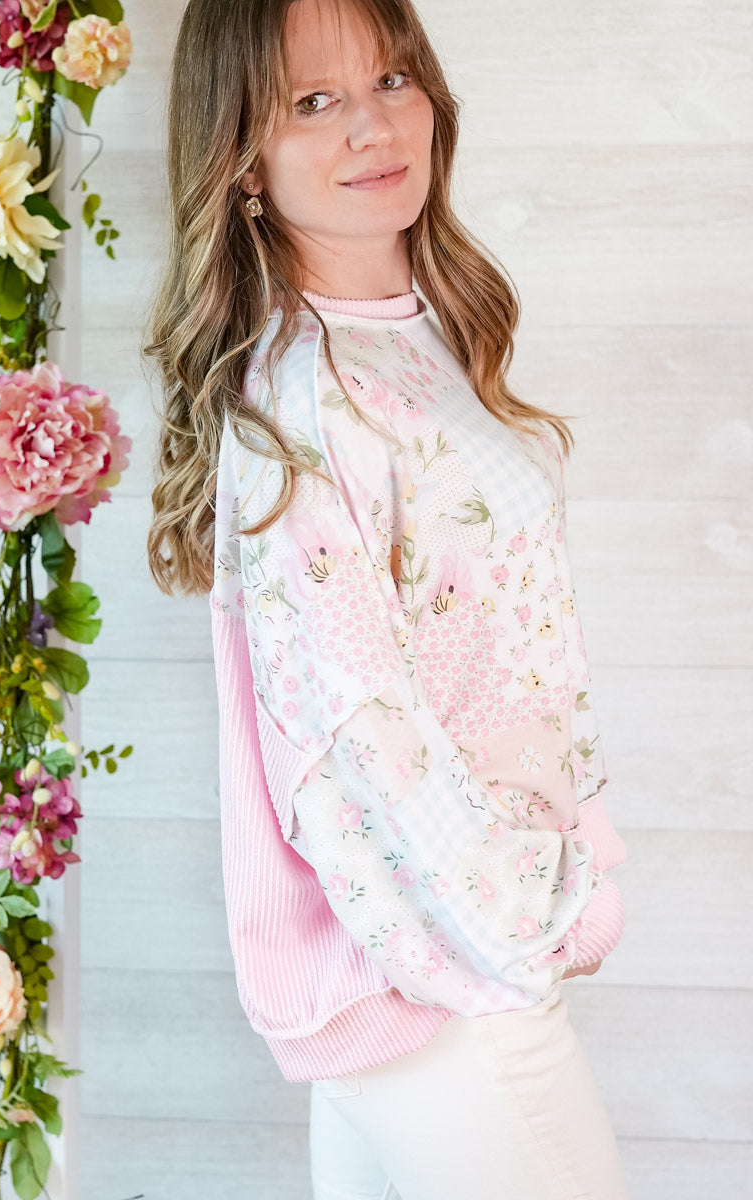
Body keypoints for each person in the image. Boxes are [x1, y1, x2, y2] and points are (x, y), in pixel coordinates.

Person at [142, 1, 631, 1197]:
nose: (374, 124)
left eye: (393, 78)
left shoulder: (412, 336)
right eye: (315, 101)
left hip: (435, 964)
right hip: (440, 990)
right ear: (241, 159)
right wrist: (515, 925)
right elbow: (354, 742)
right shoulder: (305, 406)